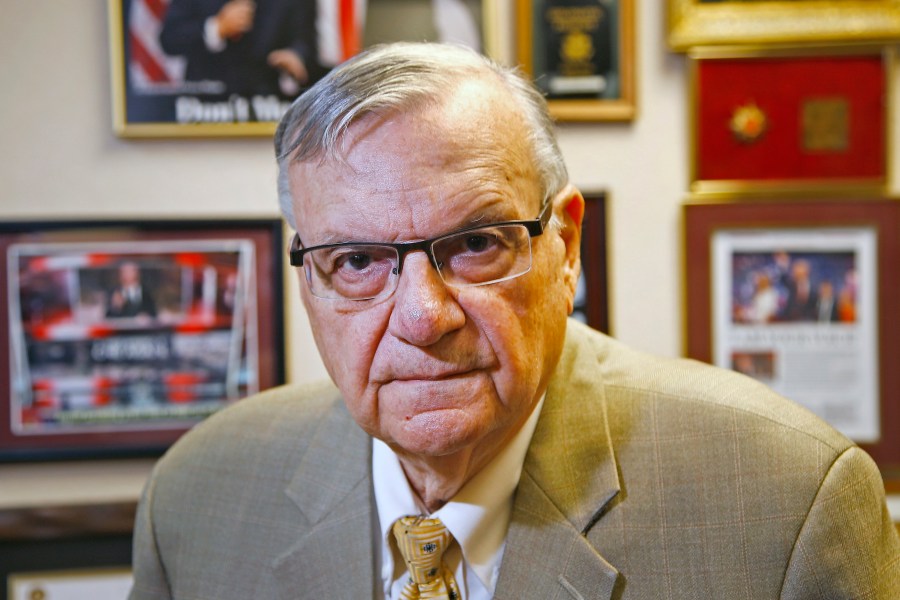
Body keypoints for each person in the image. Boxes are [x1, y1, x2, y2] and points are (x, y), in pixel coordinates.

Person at [129, 43, 900, 599]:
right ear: (309, 277)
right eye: (358, 260)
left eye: (474, 244)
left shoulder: (788, 504)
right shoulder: (196, 499)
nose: (424, 318)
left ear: (565, 248)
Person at [159, 0, 321, 98]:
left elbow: (305, 41)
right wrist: (216, 28)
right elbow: (169, 39)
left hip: (267, 104)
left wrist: (297, 56)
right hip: (204, 106)